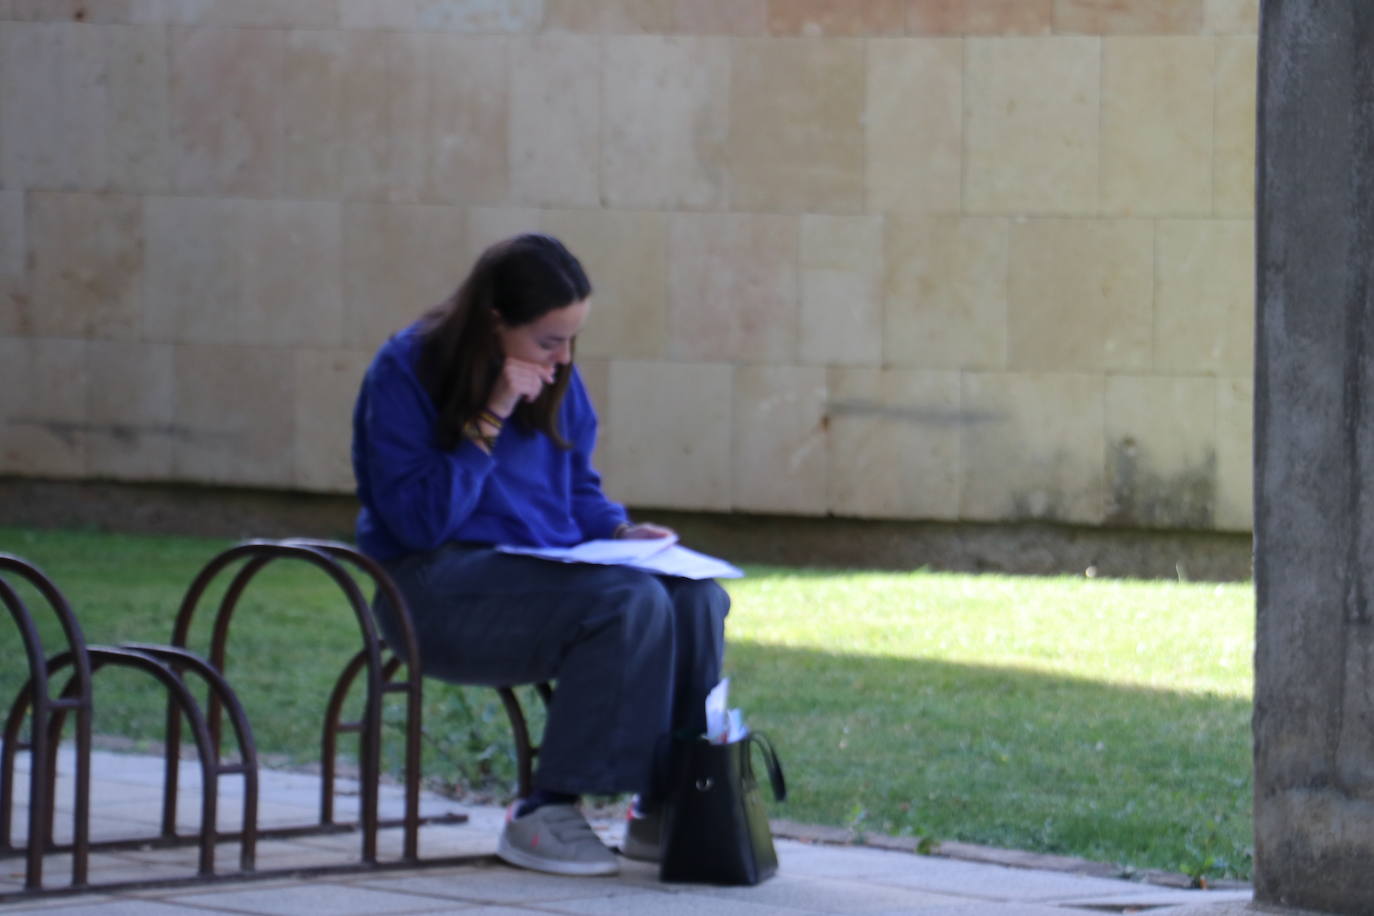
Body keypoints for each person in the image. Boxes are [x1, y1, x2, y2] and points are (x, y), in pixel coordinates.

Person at [350, 233, 730, 877]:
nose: (563, 358)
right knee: (625, 601)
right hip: (429, 589)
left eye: (573, 340)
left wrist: (617, 531)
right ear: (496, 321)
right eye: (549, 340)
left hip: (537, 579)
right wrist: (491, 413)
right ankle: (544, 812)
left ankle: (667, 803)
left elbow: (576, 486)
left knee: (694, 596)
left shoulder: (556, 375)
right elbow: (417, 522)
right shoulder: (407, 368)